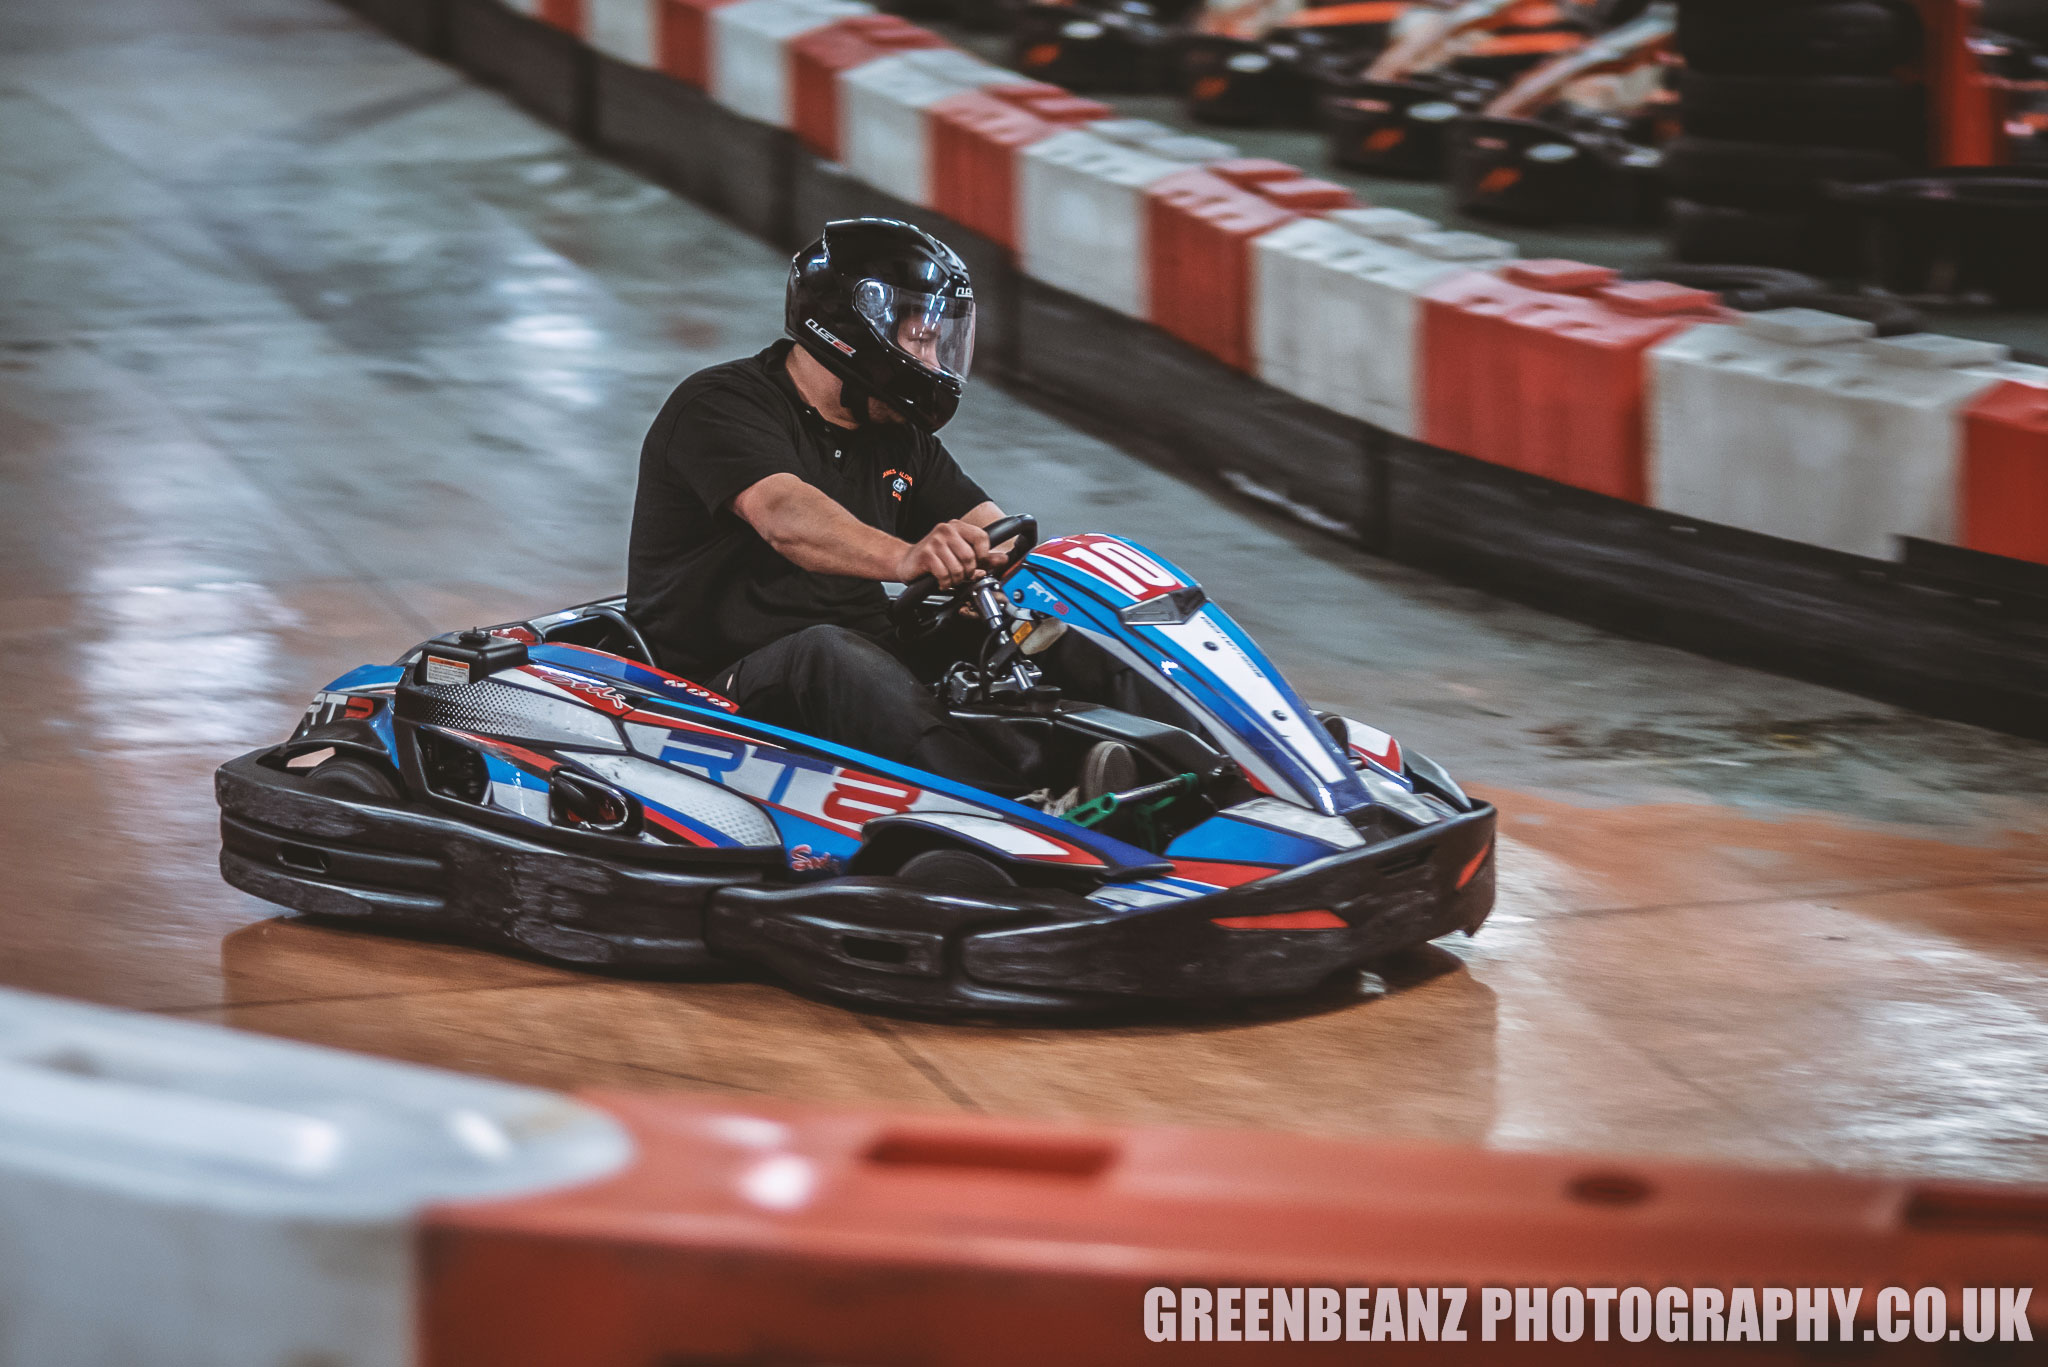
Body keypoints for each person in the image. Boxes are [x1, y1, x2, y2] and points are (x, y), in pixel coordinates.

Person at [625, 218, 1039, 794]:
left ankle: (1181, 774)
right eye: (919, 339)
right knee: (828, 653)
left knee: (1048, 629)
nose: (934, 359)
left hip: (865, 667)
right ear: (854, 327)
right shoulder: (720, 404)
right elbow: (787, 517)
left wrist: (1012, 585)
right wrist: (907, 558)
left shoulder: (898, 436)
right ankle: (1022, 811)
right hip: (716, 695)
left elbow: (994, 531)